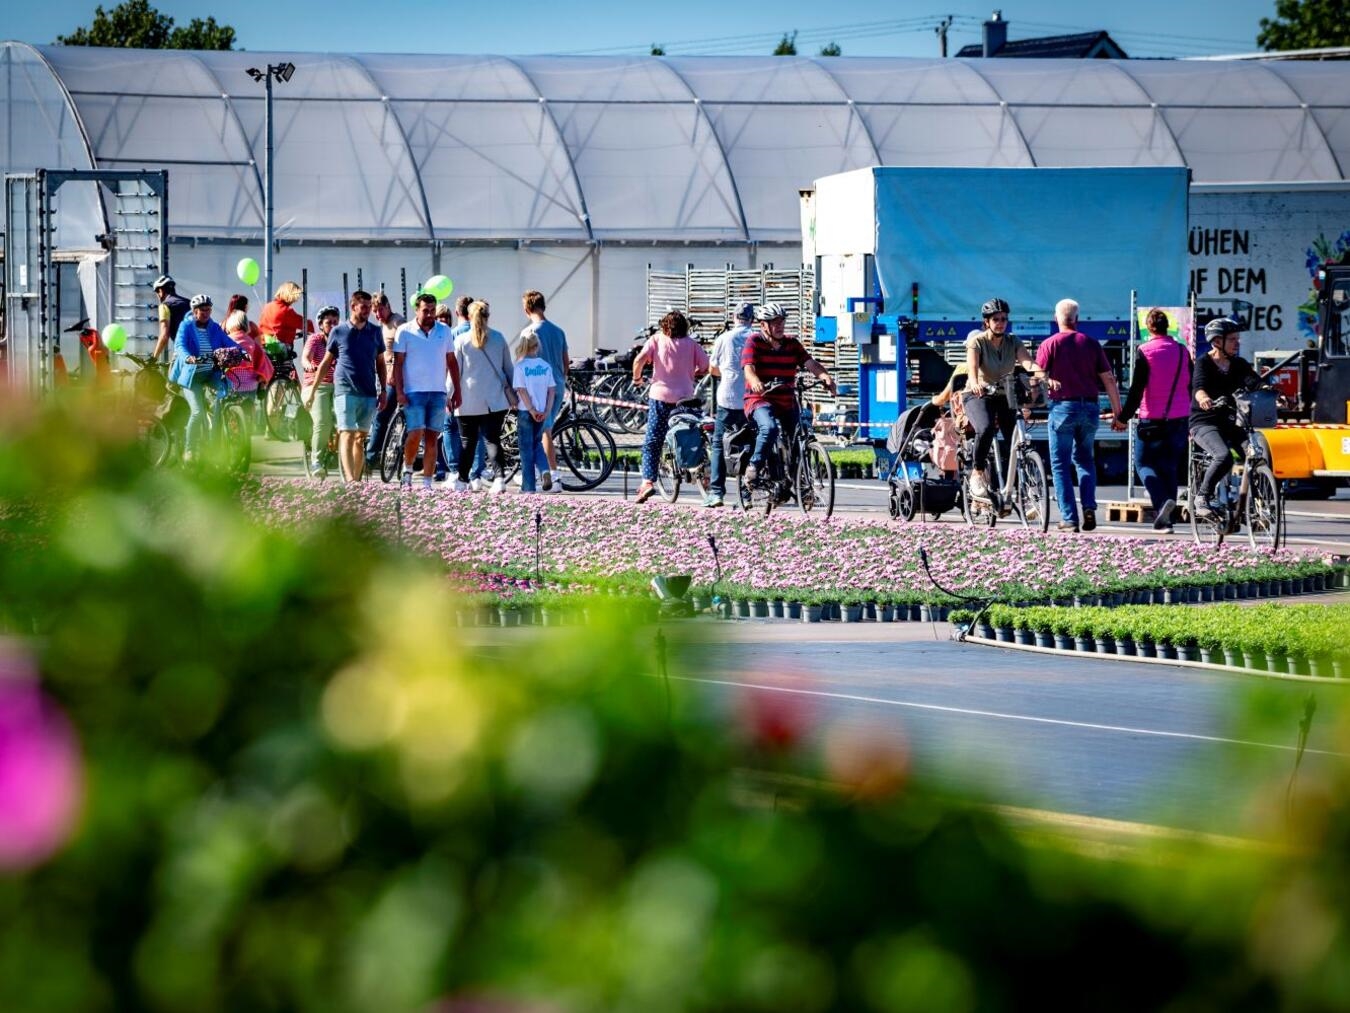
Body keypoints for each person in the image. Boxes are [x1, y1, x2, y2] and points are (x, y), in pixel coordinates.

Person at [1036, 298, 1124, 533]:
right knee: (1085, 460)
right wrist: (1118, 414)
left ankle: (1069, 518)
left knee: (1060, 465)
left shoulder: (1049, 344)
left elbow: (1037, 378)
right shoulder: (1092, 344)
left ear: (1056, 319)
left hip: (1062, 408)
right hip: (1090, 408)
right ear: (1077, 319)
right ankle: (1088, 507)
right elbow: (1109, 380)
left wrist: (1030, 403)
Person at [740, 303, 835, 487]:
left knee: (799, 438)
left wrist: (825, 377)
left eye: (782, 322)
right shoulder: (754, 342)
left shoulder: (792, 344)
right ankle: (754, 466)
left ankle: (800, 484)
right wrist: (755, 382)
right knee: (769, 428)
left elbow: (810, 363)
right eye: (775, 323)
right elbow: (748, 369)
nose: (780, 326)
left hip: (786, 401)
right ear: (763, 325)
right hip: (760, 399)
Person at [1116, 308, 1192, 532]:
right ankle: (1168, 518)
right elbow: (1190, 383)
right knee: (1169, 465)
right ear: (1167, 326)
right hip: (1179, 417)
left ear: (1149, 328)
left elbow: (1137, 389)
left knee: (1144, 463)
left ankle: (1161, 506)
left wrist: (1123, 417)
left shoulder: (1145, 351)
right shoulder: (1182, 351)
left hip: (1152, 418)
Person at [962, 298, 1042, 500]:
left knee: (1015, 438)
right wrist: (975, 382)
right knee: (986, 428)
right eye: (995, 319)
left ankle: (1017, 488)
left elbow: (1027, 362)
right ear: (986, 322)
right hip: (978, 394)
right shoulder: (977, 342)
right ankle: (977, 472)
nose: (1000, 323)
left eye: (1004, 319)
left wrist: (1043, 375)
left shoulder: (1013, 341)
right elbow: (972, 369)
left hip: (1004, 395)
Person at [307, 290, 386, 483]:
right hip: (344, 390)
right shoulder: (339, 331)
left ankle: (356, 481)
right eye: (364, 306)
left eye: (370, 307)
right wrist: (313, 390)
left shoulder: (375, 332)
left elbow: (381, 363)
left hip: (368, 391)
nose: (368, 310)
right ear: (353, 306)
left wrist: (383, 390)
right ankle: (350, 481)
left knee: (360, 438)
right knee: (347, 433)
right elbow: (326, 362)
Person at [632, 310, 710, 504]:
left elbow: (639, 360)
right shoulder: (692, 344)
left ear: (664, 326)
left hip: (660, 397)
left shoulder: (656, 340)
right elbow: (706, 366)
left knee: (653, 441)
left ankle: (648, 482)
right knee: (690, 434)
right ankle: (701, 472)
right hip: (685, 398)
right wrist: (694, 373)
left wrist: (637, 378)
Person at [1191, 317, 1261, 516]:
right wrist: (1204, 398)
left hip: (1233, 420)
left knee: (1256, 454)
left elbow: (1254, 381)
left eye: (1237, 339)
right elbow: (1199, 387)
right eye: (1232, 339)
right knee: (1224, 457)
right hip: (1205, 421)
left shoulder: (1238, 364)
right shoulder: (1203, 363)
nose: (1237, 343)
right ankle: (1203, 496)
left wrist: (1270, 392)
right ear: (1216, 341)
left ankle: (1252, 504)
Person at [393, 293, 460, 491]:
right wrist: (399, 391)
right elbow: (398, 364)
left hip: (438, 391)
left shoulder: (444, 330)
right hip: (414, 392)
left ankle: (428, 483)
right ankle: (408, 470)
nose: (429, 314)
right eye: (425, 310)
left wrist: (456, 390)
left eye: (432, 310)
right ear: (416, 310)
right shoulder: (404, 331)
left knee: (432, 437)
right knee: (415, 432)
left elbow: (451, 361)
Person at [454, 300, 516, 494]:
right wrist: (516, 392)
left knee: (467, 442)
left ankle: (462, 481)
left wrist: (450, 395)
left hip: (468, 399)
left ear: (468, 316)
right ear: (488, 316)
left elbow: (455, 373)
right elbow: (508, 369)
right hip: (494, 400)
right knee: (492, 440)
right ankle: (499, 480)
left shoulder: (461, 341)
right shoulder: (498, 338)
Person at [167, 295, 237, 461]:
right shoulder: (186, 326)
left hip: (210, 373)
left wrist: (241, 351)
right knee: (197, 412)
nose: (206, 313)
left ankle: (216, 437)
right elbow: (180, 345)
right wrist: (188, 357)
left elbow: (227, 341)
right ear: (195, 311)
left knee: (226, 392)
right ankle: (189, 450)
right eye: (202, 310)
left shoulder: (214, 327)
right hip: (192, 378)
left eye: (208, 309)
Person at [517, 290, 569, 493]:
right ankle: (544, 472)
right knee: (547, 428)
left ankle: (553, 475)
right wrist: (561, 378)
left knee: (544, 432)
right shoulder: (558, 331)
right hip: (557, 384)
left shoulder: (528, 333)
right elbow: (566, 363)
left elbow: (522, 361)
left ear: (526, 309)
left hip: (537, 389)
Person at [705, 302, 755, 508]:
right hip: (750, 398)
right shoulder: (756, 337)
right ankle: (747, 493)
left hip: (727, 397)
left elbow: (712, 369)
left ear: (734, 317)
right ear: (752, 319)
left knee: (719, 444)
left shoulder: (724, 338)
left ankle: (717, 493)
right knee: (749, 444)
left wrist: (726, 373)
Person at [364, 291, 406, 471]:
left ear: (388, 306)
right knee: (378, 417)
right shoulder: (382, 325)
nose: (378, 314)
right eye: (375, 311)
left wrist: (394, 372)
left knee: (381, 415)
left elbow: (402, 349)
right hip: (383, 376)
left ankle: (371, 457)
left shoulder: (397, 322)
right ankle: (376, 453)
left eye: (380, 309)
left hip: (395, 377)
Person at [512, 331, 557, 494]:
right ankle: (545, 470)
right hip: (541, 412)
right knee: (537, 443)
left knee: (525, 449)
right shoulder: (545, 366)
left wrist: (531, 409)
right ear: (537, 346)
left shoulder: (520, 366)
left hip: (526, 411)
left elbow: (521, 390)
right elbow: (552, 390)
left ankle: (528, 487)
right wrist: (546, 410)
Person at [300, 306, 340, 479]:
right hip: (316, 386)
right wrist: (309, 365)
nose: (332, 325)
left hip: (338, 386)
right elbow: (305, 357)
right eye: (328, 322)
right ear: (321, 325)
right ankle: (316, 460)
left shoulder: (341, 339)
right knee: (323, 422)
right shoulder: (315, 339)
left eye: (335, 322)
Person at [223, 309, 274, 394]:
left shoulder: (226, 341)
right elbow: (265, 365)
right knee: (249, 407)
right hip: (250, 386)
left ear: (230, 324)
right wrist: (261, 380)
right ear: (246, 324)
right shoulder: (252, 343)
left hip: (229, 386)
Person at [257, 281, 312, 353]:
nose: (295, 300)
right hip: (280, 349)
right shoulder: (286, 310)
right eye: (296, 297)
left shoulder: (267, 306)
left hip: (265, 346)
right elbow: (305, 324)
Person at [150, 274, 191, 360]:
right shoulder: (189, 303)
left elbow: (164, 335)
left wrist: (154, 358)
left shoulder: (165, 306)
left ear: (160, 291)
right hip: (200, 349)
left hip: (182, 350)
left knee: (172, 373)